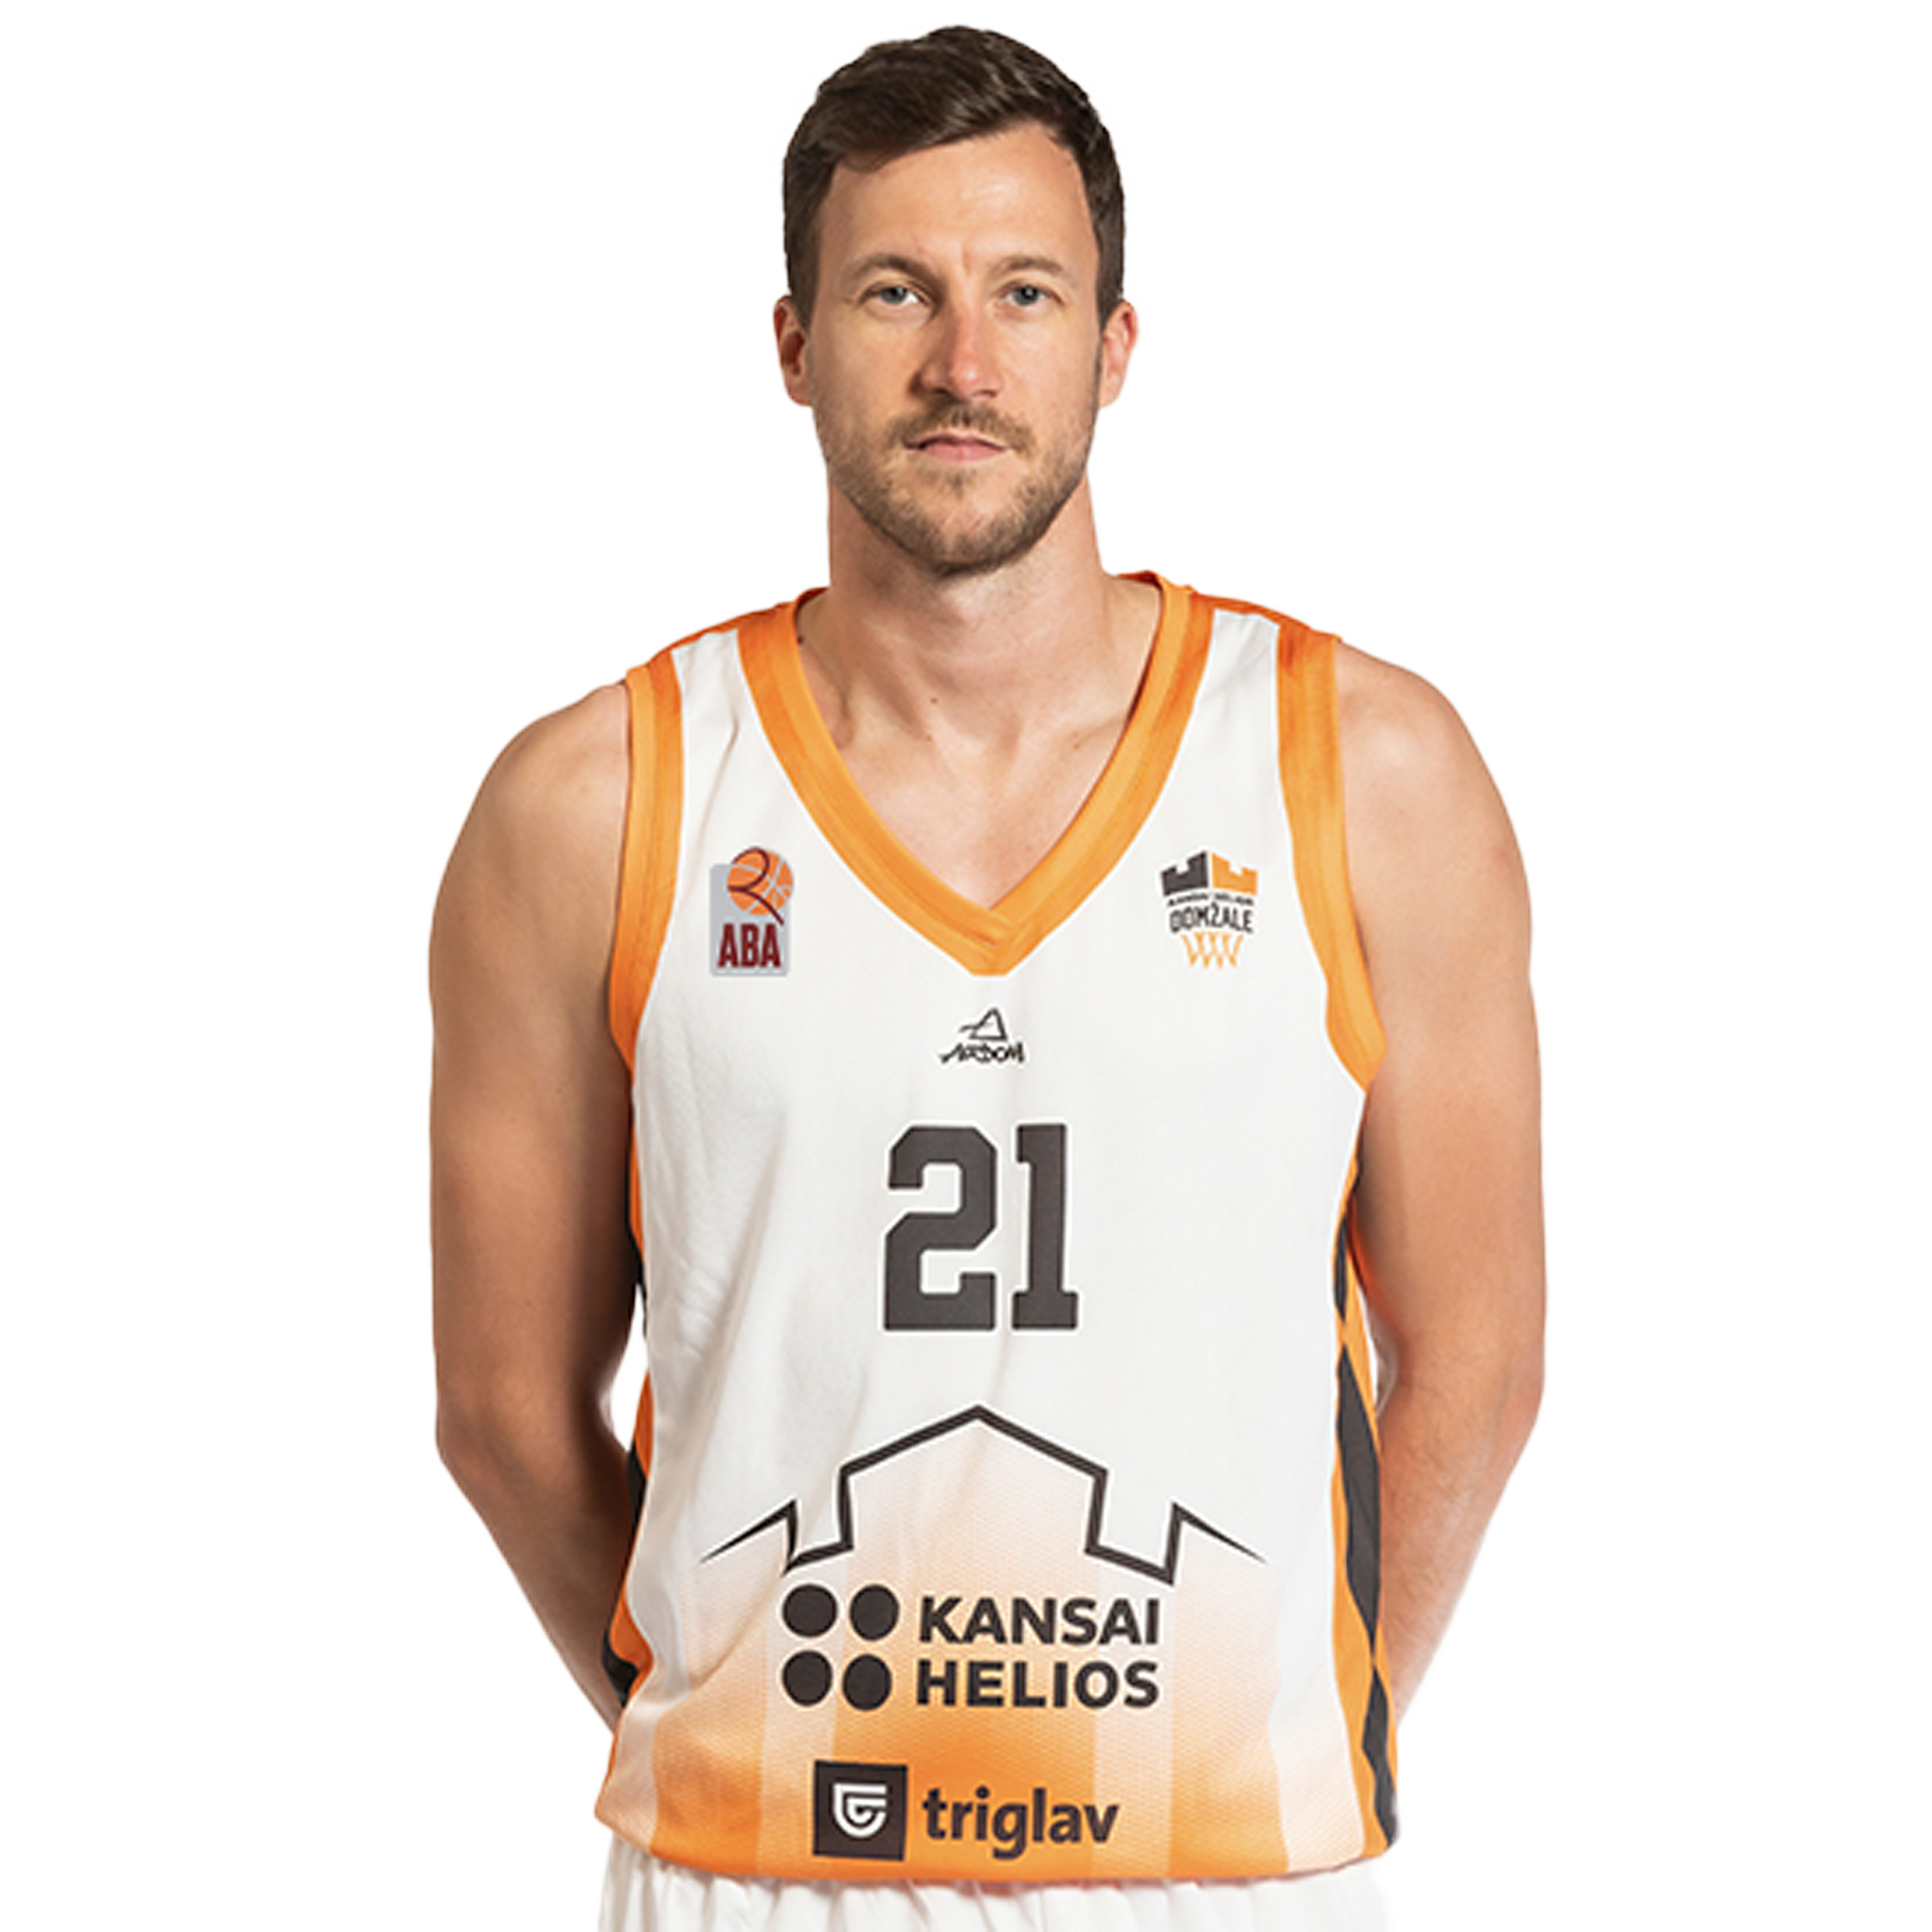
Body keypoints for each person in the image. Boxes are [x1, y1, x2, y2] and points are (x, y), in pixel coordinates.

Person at [430, 23, 1543, 1931]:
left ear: (1114, 345)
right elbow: (505, 1408)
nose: (964, 361)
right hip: (755, 1883)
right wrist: (724, 1719)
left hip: (1222, 1874)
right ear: (793, 344)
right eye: (896, 293)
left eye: (1025, 292)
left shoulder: (1367, 771)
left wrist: (1274, 1721)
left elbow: (1482, 1358)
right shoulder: (595, 803)